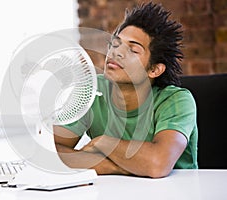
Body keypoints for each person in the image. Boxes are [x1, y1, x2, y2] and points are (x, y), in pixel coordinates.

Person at [54, 2, 198, 178]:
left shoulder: (176, 101)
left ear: (154, 70)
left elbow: (157, 164)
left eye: (133, 49)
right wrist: (113, 168)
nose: (117, 53)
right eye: (115, 45)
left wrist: (103, 143)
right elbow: (52, 152)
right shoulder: (92, 90)